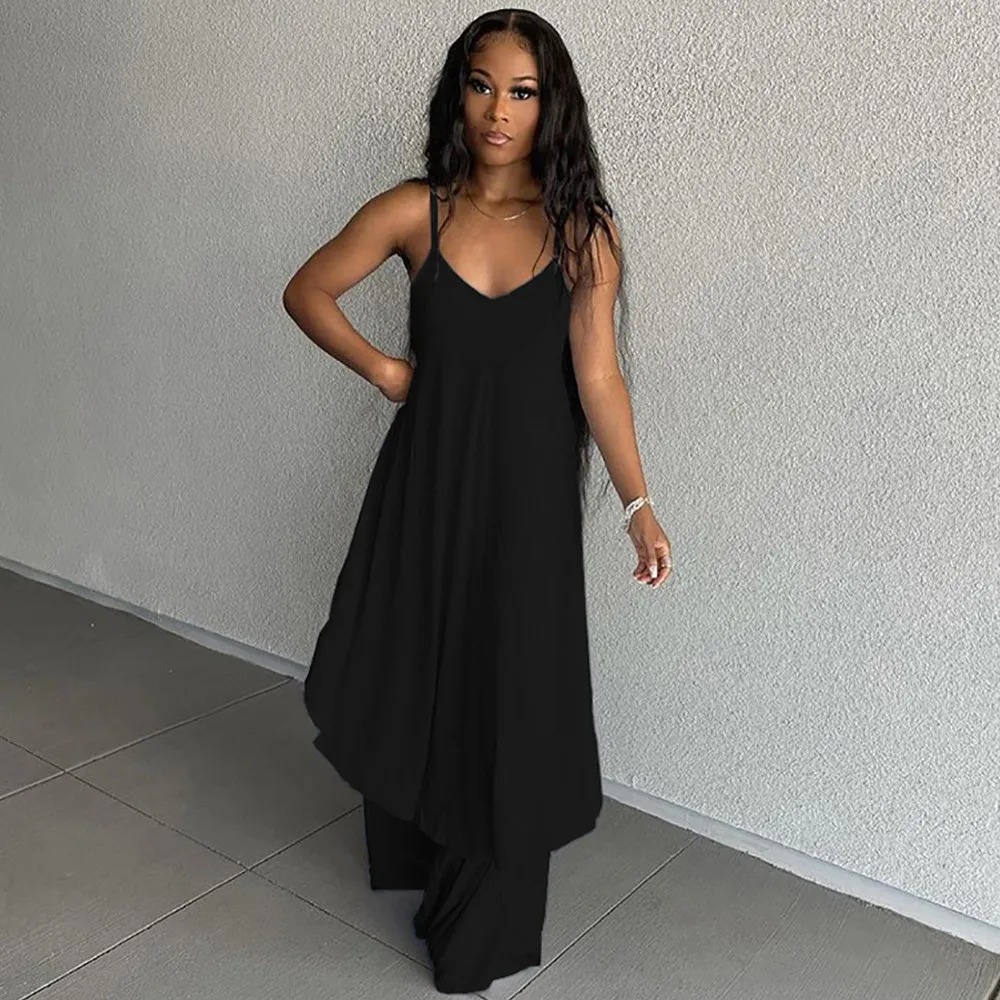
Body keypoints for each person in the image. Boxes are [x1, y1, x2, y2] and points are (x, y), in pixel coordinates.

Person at [282, 8, 672, 994]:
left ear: (551, 107)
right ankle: (420, 846)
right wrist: (385, 370)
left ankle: (481, 926)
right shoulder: (415, 210)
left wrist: (638, 503)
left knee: (510, 689)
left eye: (523, 92)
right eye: (483, 85)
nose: (500, 110)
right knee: (420, 662)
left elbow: (599, 378)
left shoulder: (582, 229)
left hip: (528, 503)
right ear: (459, 93)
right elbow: (307, 290)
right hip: (425, 485)